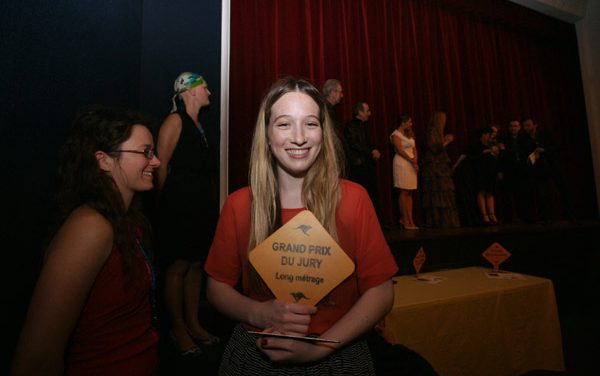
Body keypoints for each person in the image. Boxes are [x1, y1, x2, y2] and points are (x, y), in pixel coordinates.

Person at [204, 77, 398, 374]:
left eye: (310, 123)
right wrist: (258, 311)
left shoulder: (354, 199)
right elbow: (216, 287)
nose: (299, 137)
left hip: (338, 351)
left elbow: (381, 291)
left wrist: (319, 348)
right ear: (267, 136)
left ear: (324, 132)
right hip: (255, 355)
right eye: (284, 124)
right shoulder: (239, 205)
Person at [11, 106, 161, 375]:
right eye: (145, 152)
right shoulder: (89, 228)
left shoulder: (128, 222)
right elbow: (37, 357)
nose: (156, 161)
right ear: (104, 160)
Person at [155, 72, 220, 356]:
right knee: (178, 266)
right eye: (205, 87)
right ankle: (177, 328)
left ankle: (194, 323)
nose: (209, 91)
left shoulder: (199, 125)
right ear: (190, 91)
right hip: (178, 205)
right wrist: (159, 205)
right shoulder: (175, 120)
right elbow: (161, 165)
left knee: (196, 265)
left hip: (200, 206)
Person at [421, 110, 460, 228]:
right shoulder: (432, 131)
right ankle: (438, 220)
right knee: (437, 192)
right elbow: (434, 148)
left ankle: (445, 220)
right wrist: (446, 141)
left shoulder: (438, 132)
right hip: (434, 166)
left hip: (440, 166)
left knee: (443, 192)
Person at [344, 101, 382, 216]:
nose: (369, 113)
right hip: (358, 168)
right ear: (360, 112)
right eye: (367, 111)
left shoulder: (365, 126)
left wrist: (374, 149)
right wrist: (371, 151)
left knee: (371, 194)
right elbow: (355, 144)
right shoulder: (350, 126)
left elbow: (369, 143)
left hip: (367, 166)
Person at [390, 114, 419, 230]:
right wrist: (411, 160)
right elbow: (399, 150)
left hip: (411, 163)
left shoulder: (409, 134)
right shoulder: (395, 135)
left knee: (410, 192)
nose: (410, 124)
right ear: (402, 123)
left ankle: (410, 220)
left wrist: (415, 161)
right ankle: (404, 220)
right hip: (402, 163)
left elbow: (414, 148)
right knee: (404, 191)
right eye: (409, 122)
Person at [467, 127, 501, 225]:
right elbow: (472, 157)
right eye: (487, 134)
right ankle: (484, 215)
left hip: (491, 171)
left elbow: (496, 158)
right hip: (480, 171)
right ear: (482, 135)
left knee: (490, 192)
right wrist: (485, 152)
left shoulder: (492, 145)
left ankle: (492, 214)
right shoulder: (476, 145)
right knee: (482, 191)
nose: (489, 136)